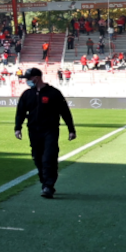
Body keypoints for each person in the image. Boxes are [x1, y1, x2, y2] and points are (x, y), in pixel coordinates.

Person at [13, 66, 76, 198]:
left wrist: (71, 129)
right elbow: (20, 112)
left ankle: (48, 186)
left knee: (49, 158)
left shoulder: (54, 93)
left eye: (29, 78)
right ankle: (45, 182)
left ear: (36, 78)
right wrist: (18, 127)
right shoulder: (27, 94)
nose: (27, 81)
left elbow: (65, 111)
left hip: (50, 130)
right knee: (37, 158)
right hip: (34, 131)